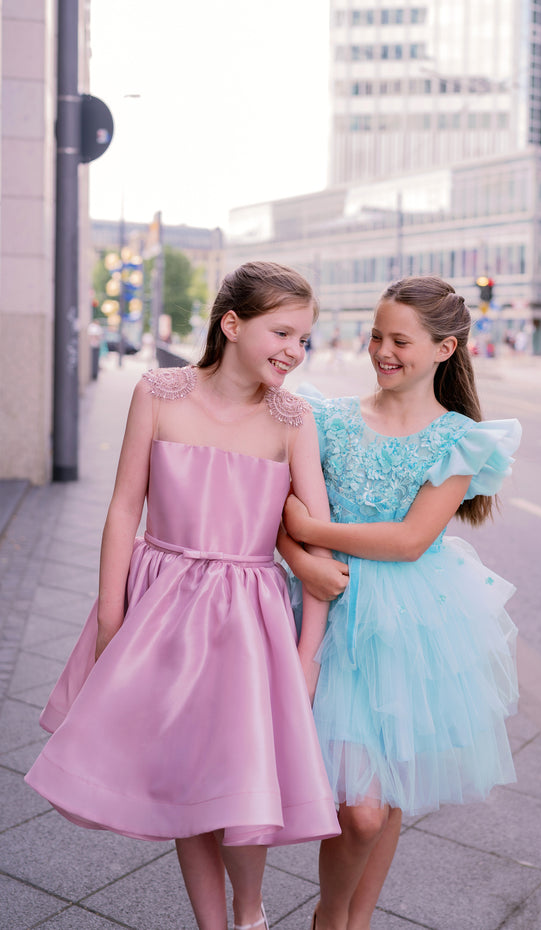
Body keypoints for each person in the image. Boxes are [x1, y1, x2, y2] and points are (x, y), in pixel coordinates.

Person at [25, 261, 341, 930]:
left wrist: (307, 653)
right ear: (231, 324)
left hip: (248, 624)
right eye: (282, 332)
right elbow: (122, 510)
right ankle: (213, 924)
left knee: (239, 783)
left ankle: (250, 911)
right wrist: (113, 621)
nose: (294, 351)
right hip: (161, 609)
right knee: (182, 776)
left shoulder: (293, 419)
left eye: (304, 339)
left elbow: (318, 544)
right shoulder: (160, 393)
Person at [280, 275, 521, 930]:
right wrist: (303, 558)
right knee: (359, 807)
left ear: (445, 349)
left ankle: (346, 923)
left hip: (412, 619)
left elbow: (412, 539)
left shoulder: (460, 440)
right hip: (328, 611)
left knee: (381, 801)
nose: (383, 351)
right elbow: (277, 506)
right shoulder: (324, 417)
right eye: (377, 336)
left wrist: (314, 532)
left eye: (400, 341)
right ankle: (334, 916)